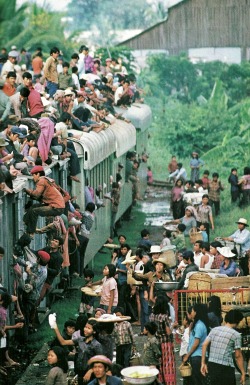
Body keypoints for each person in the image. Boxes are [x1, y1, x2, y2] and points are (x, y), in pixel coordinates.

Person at [52, 318, 103, 385]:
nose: (85, 329)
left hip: (90, 374)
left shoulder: (97, 345)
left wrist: (90, 371)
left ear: (94, 331)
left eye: (89, 328)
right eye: (85, 327)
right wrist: (55, 328)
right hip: (79, 371)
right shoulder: (80, 339)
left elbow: (101, 361)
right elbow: (63, 342)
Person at [201, 309, 245, 385]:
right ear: (237, 321)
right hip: (226, 368)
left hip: (212, 365)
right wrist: (243, 372)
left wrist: (203, 363)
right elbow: (238, 356)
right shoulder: (236, 335)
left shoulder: (214, 330)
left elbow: (204, 344)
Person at [23, 166, 65, 237]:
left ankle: (31, 232)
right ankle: (26, 223)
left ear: (38, 174)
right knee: (33, 207)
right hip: (57, 206)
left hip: (56, 207)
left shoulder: (41, 181)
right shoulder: (46, 180)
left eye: (33, 176)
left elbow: (36, 195)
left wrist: (27, 190)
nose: (33, 178)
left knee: (34, 211)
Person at [149, 294, 176, 385]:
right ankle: (169, 382)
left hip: (156, 343)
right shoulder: (164, 317)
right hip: (166, 343)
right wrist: (174, 326)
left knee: (158, 364)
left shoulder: (152, 316)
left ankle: (159, 381)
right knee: (168, 365)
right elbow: (168, 332)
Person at [183, 304, 209, 385]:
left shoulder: (199, 325)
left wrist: (187, 355)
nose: (191, 312)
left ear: (196, 312)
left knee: (197, 380)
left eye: (193, 310)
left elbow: (196, 343)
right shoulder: (196, 324)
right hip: (195, 356)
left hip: (198, 356)